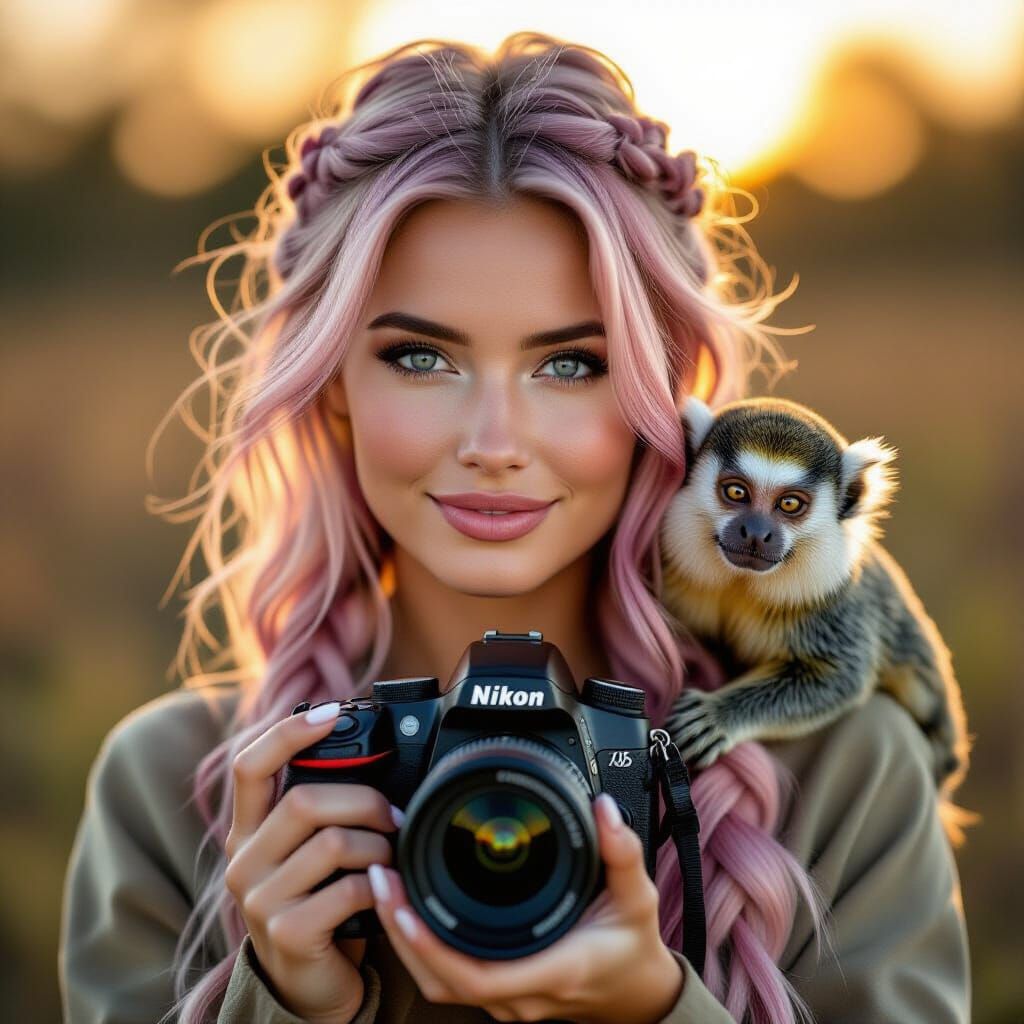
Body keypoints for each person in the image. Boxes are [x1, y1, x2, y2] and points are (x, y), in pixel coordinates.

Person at [58, 32, 971, 1024]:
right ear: (331, 392)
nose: (494, 441)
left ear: (664, 404)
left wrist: (657, 1008)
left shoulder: (840, 770)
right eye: (421, 357)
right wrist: (285, 1002)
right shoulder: (170, 787)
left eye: (570, 364)